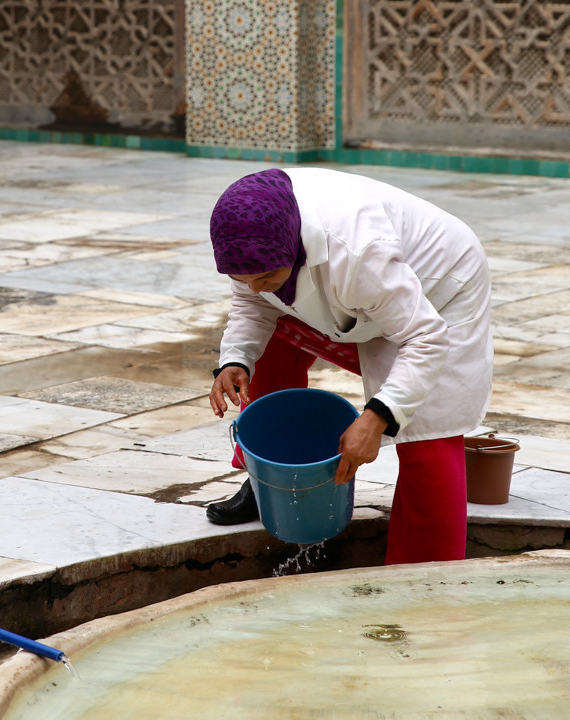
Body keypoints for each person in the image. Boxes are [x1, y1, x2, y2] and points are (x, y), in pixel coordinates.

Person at [206, 167, 492, 565]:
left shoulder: (358, 251)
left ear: (292, 244)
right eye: (242, 277)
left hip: (439, 292)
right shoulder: (252, 231)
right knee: (267, 345)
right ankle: (264, 485)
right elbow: (253, 302)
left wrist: (375, 418)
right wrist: (235, 359)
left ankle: (427, 582)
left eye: (266, 275)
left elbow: (424, 338)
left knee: (426, 440)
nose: (254, 286)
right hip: (364, 297)